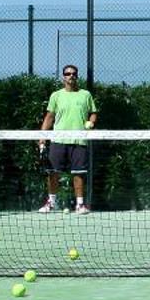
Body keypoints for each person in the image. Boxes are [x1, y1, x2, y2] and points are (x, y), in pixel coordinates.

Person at [37, 65, 97, 213]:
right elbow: (49, 117)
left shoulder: (85, 95)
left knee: (79, 173)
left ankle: (80, 204)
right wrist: (42, 137)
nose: (71, 76)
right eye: (68, 73)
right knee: (53, 172)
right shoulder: (56, 95)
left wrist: (91, 122)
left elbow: (93, 112)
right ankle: (50, 203)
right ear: (63, 77)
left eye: (73, 73)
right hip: (58, 140)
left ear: (77, 76)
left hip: (79, 140)